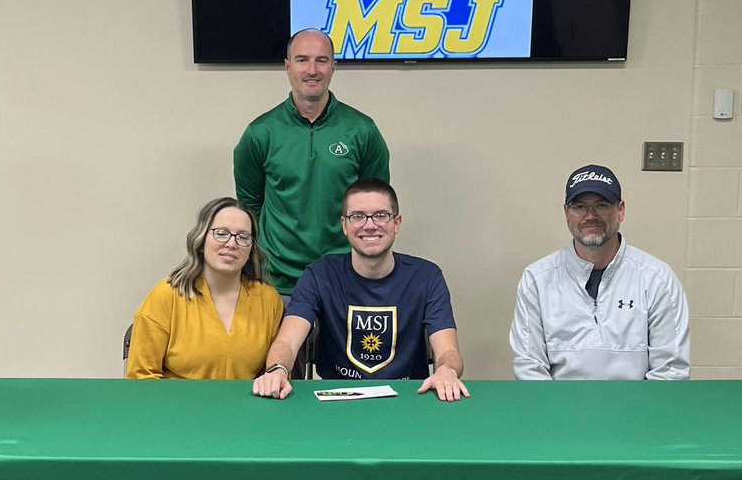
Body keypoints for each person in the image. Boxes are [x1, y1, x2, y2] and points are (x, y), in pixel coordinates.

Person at [252, 178, 469, 402]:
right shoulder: (319, 275)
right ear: (344, 225)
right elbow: (287, 341)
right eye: (358, 216)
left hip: (407, 399)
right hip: (336, 400)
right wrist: (277, 370)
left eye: (381, 215)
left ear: (397, 223)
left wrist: (446, 371)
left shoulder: (427, 277)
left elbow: (448, 352)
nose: (370, 225)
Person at [234, 28, 390, 298]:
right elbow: (250, 209)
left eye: (321, 60)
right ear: (288, 66)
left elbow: (374, 208)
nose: (312, 70)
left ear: (333, 67)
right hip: (277, 283)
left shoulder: (362, 130)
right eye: (302, 60)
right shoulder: (260, 133)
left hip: (345, 278)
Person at [510, 164, 690, 381]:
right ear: (566, 212)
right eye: (579, 207)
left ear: (620, 210)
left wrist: (640, 414)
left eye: (602, 205)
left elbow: (670, 372)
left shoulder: (656, 279)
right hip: (560, 410)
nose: (590, 216)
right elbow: (530, 369)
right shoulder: (537, 280)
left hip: (637, 410)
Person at [126, 197, 284, 380]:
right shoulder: (166, 296)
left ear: (251, 249)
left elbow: (273, 376)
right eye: (221, 233)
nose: (232, 244)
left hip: (243, 407)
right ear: (200, 241)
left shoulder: (268, 299)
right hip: (177, 407)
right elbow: (141, 377)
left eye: (243, 237)